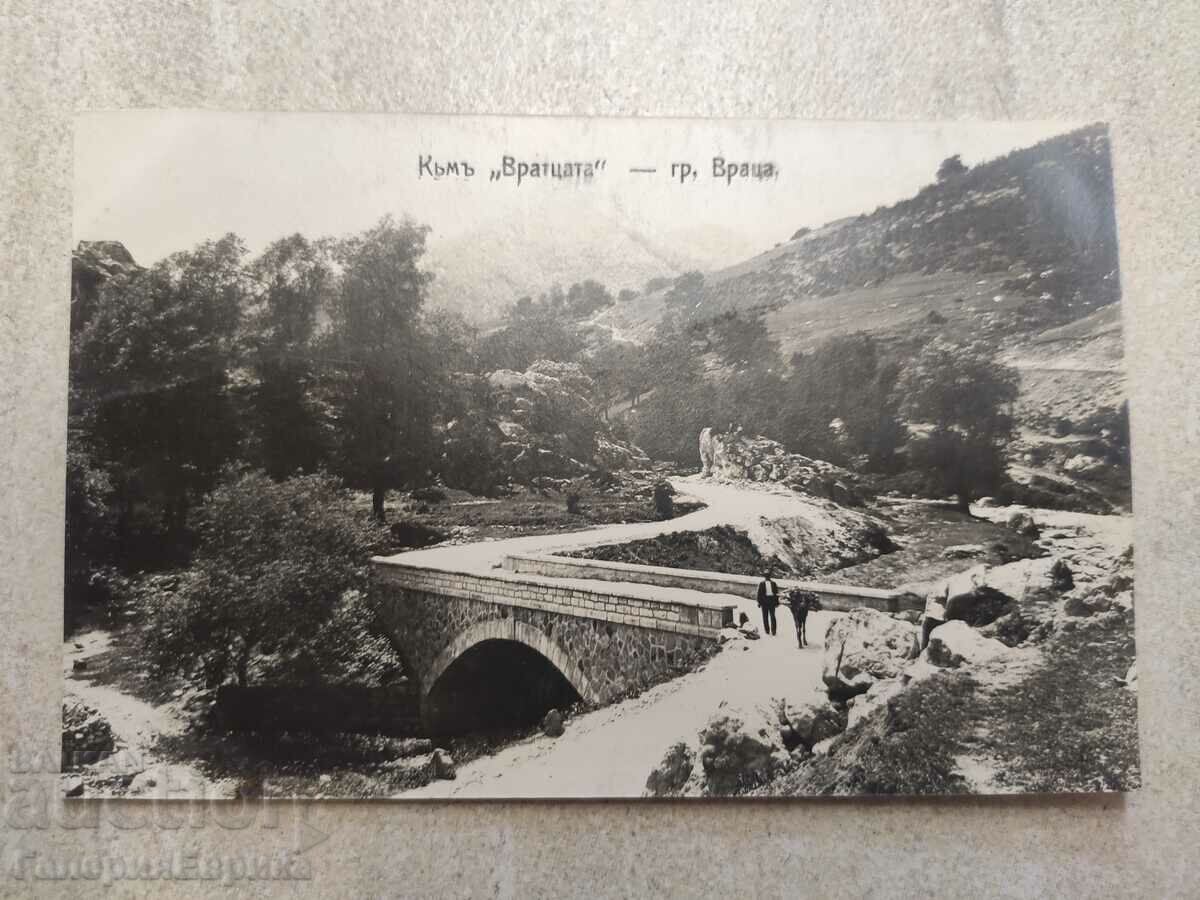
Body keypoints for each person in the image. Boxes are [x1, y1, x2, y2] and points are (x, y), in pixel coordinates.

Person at [921, 582, 950, 649]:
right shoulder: (938, 585)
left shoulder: (945, 584)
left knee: (935, 643)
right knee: (927, 643)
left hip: (938, 618)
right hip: (933, 617)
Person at [756, 571, 780, 636]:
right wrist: (759, 602)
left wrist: (777, 602)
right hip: (764, 602)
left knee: (773, 616)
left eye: (768, 576)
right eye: (766, 576)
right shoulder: (761, 584)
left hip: (772, 601)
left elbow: (776, 593)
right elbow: (759, 594)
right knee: (765, 617)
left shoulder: (773, 583)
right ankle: (767, 630)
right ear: (765, 577)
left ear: (770, 577)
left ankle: (774, 631)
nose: (767, 577)